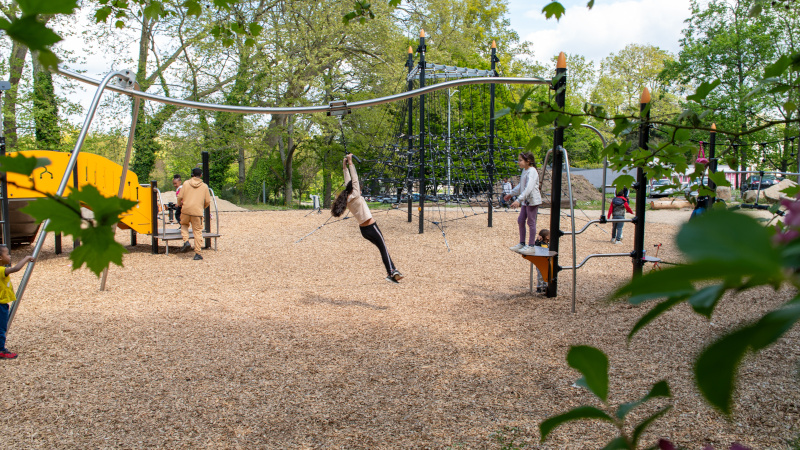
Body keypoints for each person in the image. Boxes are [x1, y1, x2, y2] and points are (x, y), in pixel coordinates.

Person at [332, 154, 404, 283]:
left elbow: (348, 181)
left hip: (364, 231)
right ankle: (391, 272)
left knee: (383, 248)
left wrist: (344, 166)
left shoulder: (348, 199)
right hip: (372, 227)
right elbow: (354, 179)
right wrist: (350, 162)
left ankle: (393, 271)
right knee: (383, 248)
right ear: (355, 189)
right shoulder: (355, 195)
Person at [504, 152, 542, 255]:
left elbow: (528, 188)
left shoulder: (532, 171)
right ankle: (522, 243)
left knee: (531, 222)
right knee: (521, 220)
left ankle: (531, 245)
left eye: (520, 160)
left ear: (528, 161)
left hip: (532, 201)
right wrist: (511, 194)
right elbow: (521, 186)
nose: (518, 162)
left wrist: (518, 200)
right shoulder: (524, 171)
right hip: (526, 201)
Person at [0, 246, 34, 359]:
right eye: (7, 254)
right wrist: (26, 258)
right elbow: (15, 269)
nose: (9, 256)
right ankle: (1, 350)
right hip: (1, 305)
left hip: (2, 304)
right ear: (0, 258)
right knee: (1, 328)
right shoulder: (1, 270)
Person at [177, 168, 211, 260]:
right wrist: (202, 207)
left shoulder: (185, 183)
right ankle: (197, 253)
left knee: (184, 224)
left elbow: (180, 196)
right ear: (201, 175)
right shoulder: (204, 186)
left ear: (192, 174)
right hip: (197, 211)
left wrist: (180, 204)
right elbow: (208, 200)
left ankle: (186, 240)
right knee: (197, 231)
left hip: (186, 210)